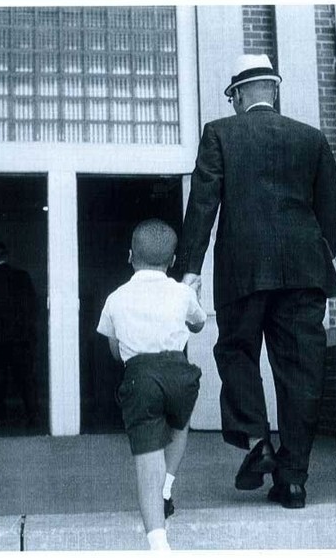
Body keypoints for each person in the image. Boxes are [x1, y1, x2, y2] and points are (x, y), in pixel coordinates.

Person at [176, 54, 336, 509]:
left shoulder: (220, 133)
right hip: (305, 273)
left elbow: (203, 205)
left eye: (232, 97)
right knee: (301, 371)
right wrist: (314, 258)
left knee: (235, 350)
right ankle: (293, 482)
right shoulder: (312, 139)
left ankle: (256, 441)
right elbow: (331, 213)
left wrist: (189, 272)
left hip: (244, 269)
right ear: (273, 90)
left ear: (240, 94)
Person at [97, 219, 206, 551]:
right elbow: (198, 325)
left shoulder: (116, 297)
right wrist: (193, 295)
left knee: (147, 463)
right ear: (172, 261)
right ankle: (168, 485)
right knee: (180, 421)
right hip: (179, 372)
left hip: (140, 374)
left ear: (130, 256)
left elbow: (115, 350)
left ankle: (159, 544)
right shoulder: (182, 292)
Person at [0, 241, 39, 427]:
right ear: (7, 256)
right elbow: (32, 306)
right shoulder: (22, 276)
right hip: (20, 339)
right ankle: (32, 416)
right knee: (25, 378)